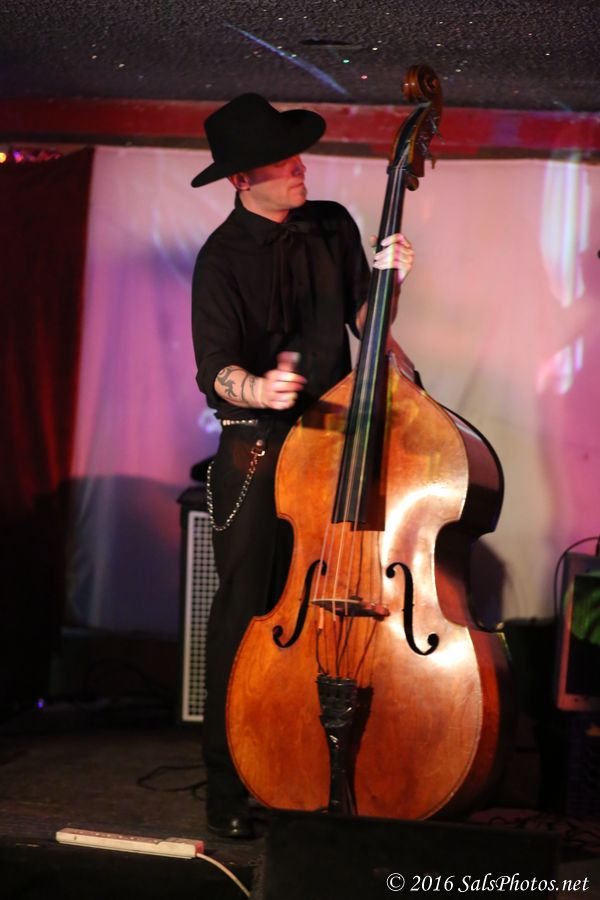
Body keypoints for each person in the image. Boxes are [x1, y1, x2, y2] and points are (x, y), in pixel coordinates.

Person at [190, 93, 414, 838]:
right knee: (249, 606)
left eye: (295, 154)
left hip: (332, 439)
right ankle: (226, 786)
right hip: (256, 443)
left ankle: (311, 764)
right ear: (241, 179)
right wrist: (258, 389)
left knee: (330, 596)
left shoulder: (331, 223)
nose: (299, 167)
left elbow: (364, 321)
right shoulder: (220, 260)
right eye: (281, 161)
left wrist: (390, 282)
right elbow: (215, 370)